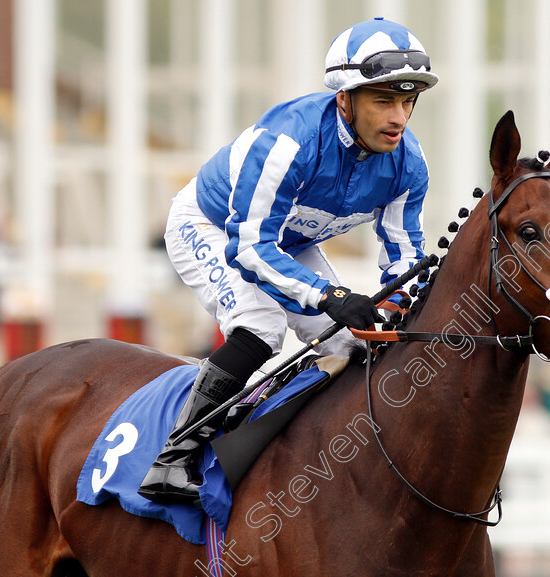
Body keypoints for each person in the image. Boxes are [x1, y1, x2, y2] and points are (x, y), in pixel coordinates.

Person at [139, 18, 438, 505]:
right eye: (384, 100)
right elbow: (251, 249)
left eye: (407, 102)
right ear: (345, 99)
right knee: (260, 324)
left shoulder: (409, 163)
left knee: (354, 344)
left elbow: (403, 255)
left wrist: (395, 310)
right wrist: (330, 295)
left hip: (288, 241)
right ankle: (174, 457)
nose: (399, 118)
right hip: (214, 227)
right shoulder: (288, 142)